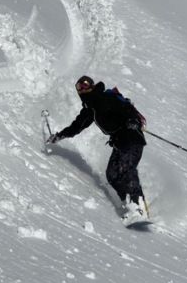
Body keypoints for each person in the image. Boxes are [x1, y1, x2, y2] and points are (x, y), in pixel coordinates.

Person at [47, 75, 148, 222]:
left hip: (132, 138)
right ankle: (130, 205)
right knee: (112, 174)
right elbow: (76, 126)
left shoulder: (105, 97)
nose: (83, 88)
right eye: (79, 87)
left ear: (92, 85)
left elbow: (126, 108)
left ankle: (138, 206)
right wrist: (59, 136)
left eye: (86, 84)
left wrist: (132, 120)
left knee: (126, 169)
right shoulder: (90, 109)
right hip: (120, 142)